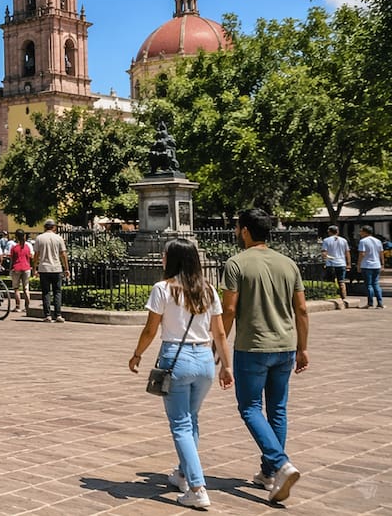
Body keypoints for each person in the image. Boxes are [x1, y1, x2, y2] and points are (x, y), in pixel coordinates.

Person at [128, 238, 233, 509]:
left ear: (172, 259)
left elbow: (151, 329)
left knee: (180, 424)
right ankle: (184, 473)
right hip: (205, 360)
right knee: (191, 419)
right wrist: (226, 365)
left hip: (176, 358)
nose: (162, 259)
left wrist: (137, 353)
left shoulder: (163, 289)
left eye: (164, 255)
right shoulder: (208, 290)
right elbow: (219, 333)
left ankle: (197, 487)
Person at [220, 208, 310, 504]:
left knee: (249, 408)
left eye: (237, 228)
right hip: (285, 346)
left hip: (253, 347)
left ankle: (281, 463)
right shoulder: (288, 264)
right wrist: (303, 347)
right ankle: (269, 473)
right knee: (278, 409)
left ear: (245, 230)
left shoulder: (236, 264)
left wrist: (218, 346)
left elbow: (230, 310)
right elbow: (302, 309)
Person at [32, 219, 69, 323]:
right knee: (57, 292)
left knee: (46, 292)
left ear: (45, 227)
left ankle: (47, 315)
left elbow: (36, 255)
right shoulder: (59, 238)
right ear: (54, 227)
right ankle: (58, 314)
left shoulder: (39, 238)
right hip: (56, 268)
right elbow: (63, 254)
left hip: (44, 268)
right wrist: (66, 268)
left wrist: (34, 268)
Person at [357, 225, 384, 308]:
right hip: (376, 265)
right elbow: (381, 253)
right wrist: (382, 264)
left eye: (361, 231)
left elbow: (362, 253)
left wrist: (359, 264)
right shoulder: (378, 241)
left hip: (367, 265)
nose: (360, 233)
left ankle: (370, 303)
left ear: (365, 232)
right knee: (376, 284)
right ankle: (380, 303)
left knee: (368, 285)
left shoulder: (363, 241)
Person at [320, 225, 350, 300]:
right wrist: (348, 263)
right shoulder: (344, 240)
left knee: (331, 281)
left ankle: (332, 295)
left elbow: (324, 253)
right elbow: (347, 253)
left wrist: (324, 260)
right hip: (341, 263)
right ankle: (343, 297)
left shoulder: (326, 240)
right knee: (341, 281)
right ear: (337, 232)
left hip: (331, 263)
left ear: (329, 232)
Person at [7, 229, 34, 312]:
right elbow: (31, 257)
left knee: (16, 288)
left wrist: (10, 269)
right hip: (26, 268)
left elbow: (12, 260)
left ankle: (18, 306)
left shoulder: (14, 247)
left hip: (17, 268)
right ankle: (27, 307)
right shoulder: (27, 247)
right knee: (26, 288)